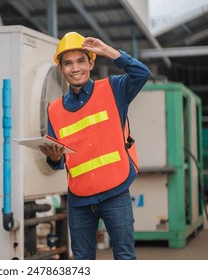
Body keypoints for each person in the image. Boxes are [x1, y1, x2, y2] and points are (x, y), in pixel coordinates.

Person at [39, 32, 151, 260]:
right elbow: (57, 163)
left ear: (91, 62)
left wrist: (109, 51)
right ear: (61, 69)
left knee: (125, 258)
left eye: (81, 60)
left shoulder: (113, 88)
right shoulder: (54, 109)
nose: (75, 68)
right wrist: (52, 157)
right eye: (68, 63)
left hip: (115, 191)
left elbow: (142, 73)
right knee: (82, 264)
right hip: (79, 198)